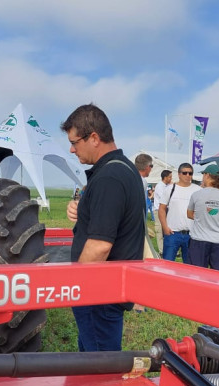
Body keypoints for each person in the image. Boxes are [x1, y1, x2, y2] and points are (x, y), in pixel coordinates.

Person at [61, 104, 145, 352]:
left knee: (99, 370)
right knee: (93, 360)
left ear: (94, 138)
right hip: (108, 292)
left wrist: (76, 288)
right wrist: (81, 209)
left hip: (97, 293)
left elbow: (98, 247)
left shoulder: (109, 178)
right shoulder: (123, 169)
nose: (71, 149)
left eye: (74, 142)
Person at [187, 164, 219, 271]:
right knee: (218, 277)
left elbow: (189, 214)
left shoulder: (196, 195)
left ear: (207, 175)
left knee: (198, 275)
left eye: (203, 174)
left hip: (199, 241)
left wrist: (201, 219)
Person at [158, 163, 201, 263]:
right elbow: (162, 209)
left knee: (190, 267)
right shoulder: (170, 189)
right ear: (179, 174)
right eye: (185, 173)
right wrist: (165, 228)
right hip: (172, 233)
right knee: (167, 265)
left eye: (190, 173)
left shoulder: (197, 190)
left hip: (192, 234)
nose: (187, 175)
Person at [152, 170, 172, 253]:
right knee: (160, 230)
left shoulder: (166, 186)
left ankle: (167, 248)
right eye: (170, 177)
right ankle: (161, 250)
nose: (171, 178)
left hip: (165, 210)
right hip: (158, 210)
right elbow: (164, 199)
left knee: (167, 229)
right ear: (165, 177)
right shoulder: (160, 186)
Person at [134, 153, 153, 218]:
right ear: (147, 167)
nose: (151, 169)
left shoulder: (132, 177)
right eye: (151, 166)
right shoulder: (142, 181)